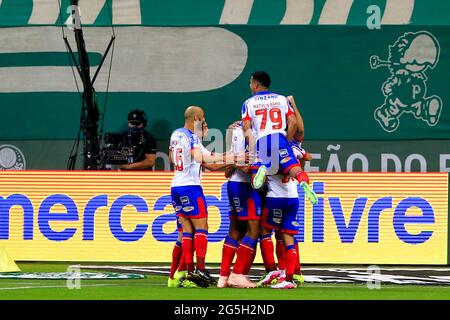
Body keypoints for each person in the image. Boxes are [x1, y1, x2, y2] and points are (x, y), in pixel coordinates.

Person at [169, 106, 235, 288]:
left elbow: (173, 158)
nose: (204, 121)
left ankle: (184, 274)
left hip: (176, 185)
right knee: (202, 227)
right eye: (203, 118)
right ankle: (200, 269)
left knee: (186, 231)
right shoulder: (190, 137)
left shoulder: (176, 134)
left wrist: (201, 141)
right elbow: (201, 158)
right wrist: (229, 157)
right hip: (190, 187)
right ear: (197, 118)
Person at [241, 71, 317, 205]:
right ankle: (304, 183)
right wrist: (287, 141)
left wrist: (253, 149)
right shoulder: (281, 99)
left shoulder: (248, 103)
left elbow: (246, 127)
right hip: (280, 139)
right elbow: (293, 122)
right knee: (296, 170)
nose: (250, 85)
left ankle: (262, 170)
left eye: (250, 82)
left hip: (262, 141)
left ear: (256, 84)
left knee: (256, 182)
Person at [219, 121, 262, 288]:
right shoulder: (253, 131)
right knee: (254, 230)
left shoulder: (235, 129)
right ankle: (237, 274)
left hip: (233, 183)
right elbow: (246, 165)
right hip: (245, 186)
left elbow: (230, 166)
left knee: (236, 229)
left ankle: (223, 277)